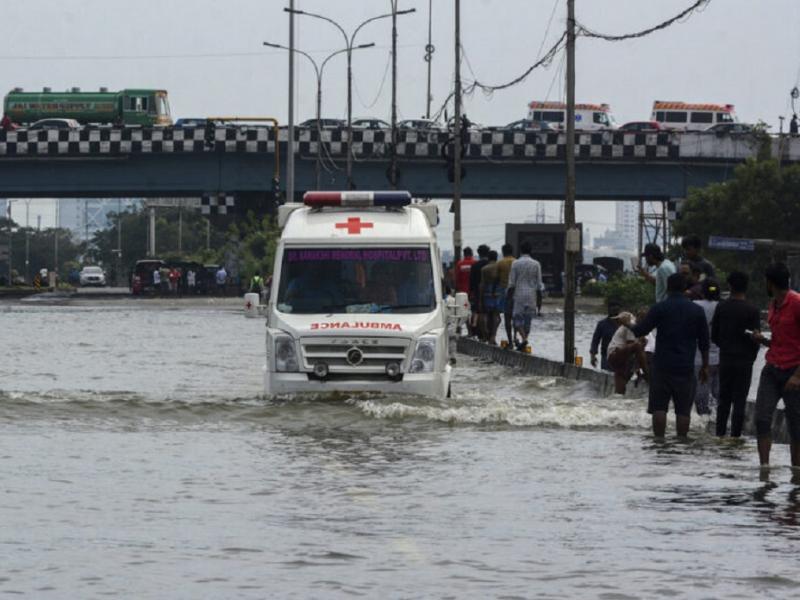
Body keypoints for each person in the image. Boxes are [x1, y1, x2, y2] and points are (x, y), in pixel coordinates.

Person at [630, 273, 710, 438]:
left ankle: (659, 442)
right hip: (686, 366)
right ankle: (681, 442)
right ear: (685, 289)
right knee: (683, 410)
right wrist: (705, 366)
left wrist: (626, 322)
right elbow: (704, 341)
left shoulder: (660, 308)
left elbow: (640, 331)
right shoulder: (697, 310)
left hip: (662, 365)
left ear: (667, 288)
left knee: (659, 408)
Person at [752, 263, 800, 469]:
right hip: (772, 368)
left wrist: (797, 376)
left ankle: (796, 470)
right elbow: (782, 340)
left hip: (794, 371)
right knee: (762, 418)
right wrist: (763, 340)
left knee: (796, 425)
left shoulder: (797, 303)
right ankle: (764, 468)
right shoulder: (773, 304)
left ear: (770, 283)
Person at [711, 271, 761, 437]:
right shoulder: (753, 310)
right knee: (740, 401)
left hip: (726, 358)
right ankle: (736, 437)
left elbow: (714, 335)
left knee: (723, 400)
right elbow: (756, 338)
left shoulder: (722, 306)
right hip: (745, 361)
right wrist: (751, 357)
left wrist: (725, 346)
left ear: (730, 286)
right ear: (746, 287)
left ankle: (719, 434)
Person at [507, 240, 542, 352]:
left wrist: (508, 298)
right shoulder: (536, 264)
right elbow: (539, 284)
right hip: (532, 296)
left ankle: (524, 339)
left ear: (520, 251)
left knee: (517, 320)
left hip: (519, 295)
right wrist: (539, 304)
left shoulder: (516, 263)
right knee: (528, 321)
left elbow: (512, 283)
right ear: (531, 251)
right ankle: (524, 342)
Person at [693, 278, 721, 416]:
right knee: (719, 396)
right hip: (721, 358)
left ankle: (703, 428)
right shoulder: (722, 306)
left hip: (700, 358)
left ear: (702, 292)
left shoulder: (695, 305)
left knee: (701, 398)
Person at [607, 310, 649, 395]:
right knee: (637, 346)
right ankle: (647, 375)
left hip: (615, 356)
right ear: (637, 317)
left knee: (620, 384)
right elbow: (633, 348)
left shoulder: (638, 328)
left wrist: (635, 370)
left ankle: (618, 398)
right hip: (615, 353)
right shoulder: (631, 326)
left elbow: (637, 353)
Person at [590, 301, 621, 371]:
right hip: (606, 357)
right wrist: (593, 356)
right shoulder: (602, 324)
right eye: (613, 310)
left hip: (622, 357)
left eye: (616, 311)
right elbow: (595, 341)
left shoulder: (624, 324)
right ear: (609, 310)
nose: (615, 313)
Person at [495, 244, 515, 347]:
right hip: (516, 291)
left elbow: (496, 278)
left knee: (507, 318)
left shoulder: (500, 263)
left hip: (504, 291)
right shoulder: (516, 262)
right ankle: (516, 337)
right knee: (515, 317)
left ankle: (510, 341)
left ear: (503, 252)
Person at [469, 245, 490, 338]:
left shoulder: (475, 265)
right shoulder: (491, 264)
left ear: (478, 253)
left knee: (477, 311)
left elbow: (471, 280)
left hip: (477, 291)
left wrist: (471, 292)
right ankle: (487, 332)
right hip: (489, 292)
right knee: (488, 313)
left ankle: (476, 331)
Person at [479, 250, 500, 344]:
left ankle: (486, 333)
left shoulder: (484, 269)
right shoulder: (500, 268)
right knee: (495, 315)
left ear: (488, 258)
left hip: (487, 293)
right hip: (497, 293)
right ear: (496, 257)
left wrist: (480, 298)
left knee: (485, 314)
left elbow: (482, 284)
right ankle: (493, 336)